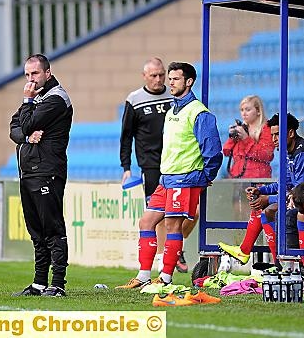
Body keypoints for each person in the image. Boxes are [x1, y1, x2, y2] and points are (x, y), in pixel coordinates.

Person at [116, 61, 222, 289]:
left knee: (173, 227)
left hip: (183, 180)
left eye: (174, 79)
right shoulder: (173, 109)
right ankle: (143, 275)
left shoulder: (199, 113)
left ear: (189, 81)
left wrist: (202, 178)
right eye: (169, 78)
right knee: (146, 222)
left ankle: (165, 278)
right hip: (166, 179)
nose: (169, 82)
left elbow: (213, 152)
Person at [10, 54, 73, 297]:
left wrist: (27, 102)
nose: (30, 80)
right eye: (27, 75)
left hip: (48, 171)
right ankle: (38, 282)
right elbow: (14, 128)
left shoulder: (56, 98)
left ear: (47, 72)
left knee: (53, 228)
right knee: (36, 231)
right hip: (28, 172)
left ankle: (57, 283)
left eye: (35, 74)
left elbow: (24, 123)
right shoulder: (37, 99)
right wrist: (26, 136)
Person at [119, 57, 190, 273]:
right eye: (154, 76)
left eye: (161, 75)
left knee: (190, 212)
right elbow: (126, 136)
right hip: (150, 165)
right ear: (144, 76)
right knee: (158, 213)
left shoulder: (175, 96)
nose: (159, 79)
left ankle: (173, 247)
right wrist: (126, 167)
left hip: (178, 164)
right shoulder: (135, 99)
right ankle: (167, 255)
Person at [219, 113, 304, 264]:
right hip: (295, 198)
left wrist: (268, 199)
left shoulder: (303, 154)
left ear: (290, 133)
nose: (274, 139)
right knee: (262, 208)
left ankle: (277, 262)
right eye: (272, 135)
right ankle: (255, 254)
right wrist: (261, 191)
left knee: (269, 210)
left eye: (278, 134)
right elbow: (284, 183)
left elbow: (300, 193)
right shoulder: (288, 153)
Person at [223, 95, 275, 178]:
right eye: (242, 110)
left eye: (248, 110)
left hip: (258, 181)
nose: (244, 113)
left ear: (258, 111)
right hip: (237, 179)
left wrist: (246, 139)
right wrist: (232, 137)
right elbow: (226, 152)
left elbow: (266, 154)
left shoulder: (266, 129)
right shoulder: (242, 128)